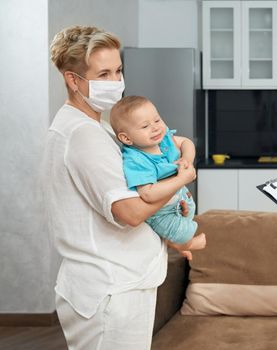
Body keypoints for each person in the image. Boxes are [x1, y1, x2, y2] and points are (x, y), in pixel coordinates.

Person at [43, 25, 197, 349]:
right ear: (73, 79)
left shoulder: (92, 126)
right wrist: (179, 181)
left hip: (120, 283)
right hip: (112, 289)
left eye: (118, 70)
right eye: (103, 74)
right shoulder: (82, 135)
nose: (115, 82)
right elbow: (129, 212)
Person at [109, 95, 206, 260]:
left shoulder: (164, 139)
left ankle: (179, 243)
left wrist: (187, 160)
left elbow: (186, 142)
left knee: (185, 220)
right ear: (126, 138)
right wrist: (182, 179)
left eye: (157, 120)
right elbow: (148, 194)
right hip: (162, 213)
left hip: (180, 200)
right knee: (183, 233)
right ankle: (186, 245)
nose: (155, 128)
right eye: (145, 126)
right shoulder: (136, 160)